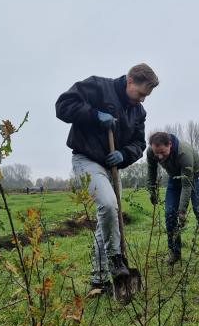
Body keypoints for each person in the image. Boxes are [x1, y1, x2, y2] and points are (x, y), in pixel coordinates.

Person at [56, 63, 159, 292]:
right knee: (108, 205)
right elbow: (63, 106)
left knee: (108, 218)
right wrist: (93, 115)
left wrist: (124, 154)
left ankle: (98, 278)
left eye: (147, 96)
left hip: (112, 166)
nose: (143, 100)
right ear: (130, 80)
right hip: (87, 159)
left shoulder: (138, 112)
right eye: (142, 93)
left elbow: (139, 144)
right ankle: (116, 260)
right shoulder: (98, 87)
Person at [147, 132, 199, 268]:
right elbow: (151, 170)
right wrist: (152, 190)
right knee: (169, 213)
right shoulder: (152, 151)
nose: (159, 157)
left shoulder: (183, 153)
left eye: (162, 152)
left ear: (170, 145)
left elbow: (186, 185)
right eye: (157, 153)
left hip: (196, 176)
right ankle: (175, 252)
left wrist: (182, 211)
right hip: (174, 177)